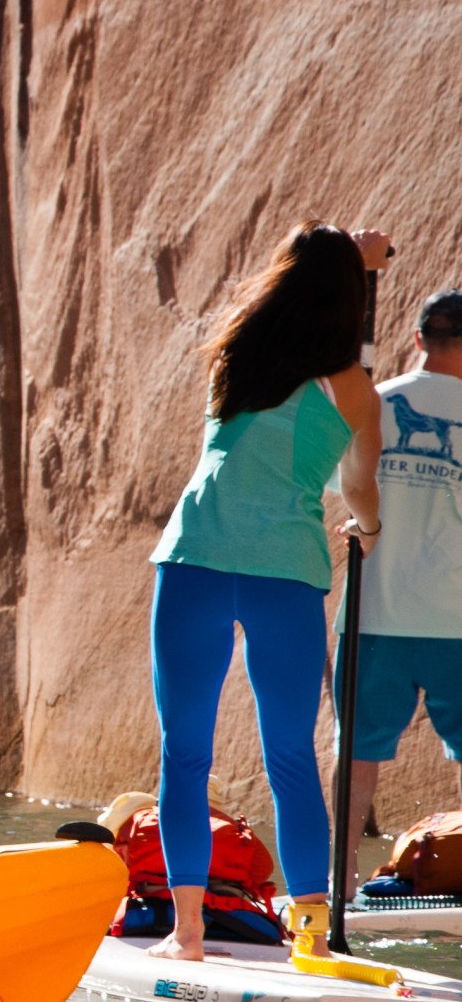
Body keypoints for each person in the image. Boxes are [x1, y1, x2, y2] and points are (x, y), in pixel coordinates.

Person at [146, 221, 390, 962]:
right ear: (349, 301)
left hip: (196, 556)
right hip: (286, 570)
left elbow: (283, 297)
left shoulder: (235, 352)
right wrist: (368, 529)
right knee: (290, 754)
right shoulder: (356, 390)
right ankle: (310, 929)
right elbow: (358, 488)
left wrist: (345, 257)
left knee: (184, 754)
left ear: (281, 280)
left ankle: (187, 933)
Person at [340, 289, 462, 854]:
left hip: (374, 615)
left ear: (418, 338)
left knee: (356, 754)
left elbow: (341, 487)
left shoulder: (373, 400)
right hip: (455, 620)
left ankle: (337, 882)